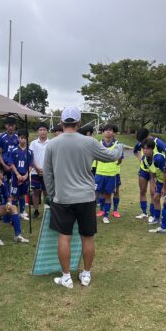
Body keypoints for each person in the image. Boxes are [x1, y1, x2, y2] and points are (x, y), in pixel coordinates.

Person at [43, 107, 123, 288]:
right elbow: (111, 156)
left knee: (64, 236)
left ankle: (66, 277)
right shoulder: (89, 142)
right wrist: (118, 146)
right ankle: (86, 274)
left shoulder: (52, 144)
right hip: (86, 197)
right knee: (87, 237)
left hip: (63, 198)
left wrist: (52, 194)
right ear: (79, 123)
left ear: (62, 123)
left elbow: (47, 173)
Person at [133, 127, 166, 222]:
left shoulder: (158, 143)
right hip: (145, 169)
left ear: (148, 136)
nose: (142, 144)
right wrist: (141, 160)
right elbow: (135, 150)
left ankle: (153, 214)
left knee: (153, 193)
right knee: (142, 191)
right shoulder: (141, 143)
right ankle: (144, 212)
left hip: (156, 171)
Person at [94, 124, 123, 222]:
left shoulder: (118, 145)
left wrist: (113, 165)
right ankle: (101, 210)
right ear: (103, 132)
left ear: (113, 132)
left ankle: (108, 214)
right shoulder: (98, 144)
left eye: (110, 130)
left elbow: (120, 159)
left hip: (112, 174)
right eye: (106, 130)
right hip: (99, 173)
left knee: (109, 194)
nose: (108, 132)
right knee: (98, 193)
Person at [140, 139, 166, 227]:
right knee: (156, 198)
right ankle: (157, 218)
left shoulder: (158, 158)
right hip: (160, 180)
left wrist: (164, 187)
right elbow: (151, 171)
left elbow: (165, 172)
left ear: (152, 149)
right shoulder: (144, 159)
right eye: (143, 149)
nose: (145, 151)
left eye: (147, 149)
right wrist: (153, 182)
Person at [9, 131, 33, 221]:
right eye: (21, 138)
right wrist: (17, 174)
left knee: (23, 194)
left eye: (25, 138)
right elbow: (11, 164)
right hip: (16, 176)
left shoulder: (29, 151)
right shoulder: (14, 150)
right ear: (18, 138)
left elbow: (30, 165)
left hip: (25, 176)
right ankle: (13, 213)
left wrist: (26, 175)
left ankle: (22, 212)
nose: (23, 140)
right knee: (14, 195)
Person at [29, 123, 49, 217]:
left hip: (47, 171)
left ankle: (47, 210)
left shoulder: (51, 143)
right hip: (35, 171)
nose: (42, 132)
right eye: (40, 130)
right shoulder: (33, 143)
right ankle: (36, 210)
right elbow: (31, 156)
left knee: (47, 192)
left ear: (47, 131)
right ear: (38, 131)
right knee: (36, 191)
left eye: (44, 130)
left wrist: (45, 169)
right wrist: (36, 168)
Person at [0, 117, 19, 188]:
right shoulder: (1, 137)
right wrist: (3, 165)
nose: (11, 127)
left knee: (15, 184)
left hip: (15, 165)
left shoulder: (18, 137)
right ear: (5, 125)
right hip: (4, 164)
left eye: (12, 125)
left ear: (15, 126)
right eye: (9, 125)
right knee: (4, 184)